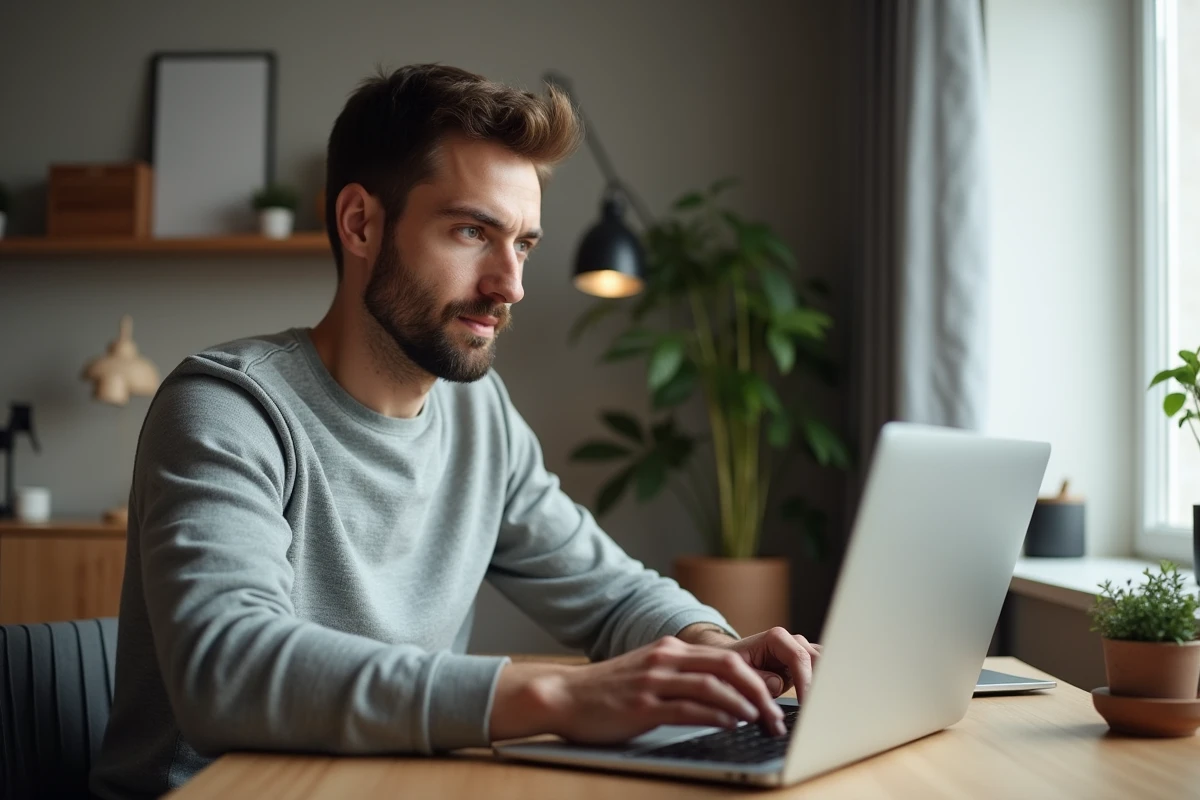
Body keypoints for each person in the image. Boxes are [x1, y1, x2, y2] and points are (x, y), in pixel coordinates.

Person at [90, 64, 820, 799]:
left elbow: (612, 593)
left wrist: (716, 651)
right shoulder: (229, 407)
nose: (510, 285)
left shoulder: (480, 416)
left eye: (524, 244)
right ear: (360, 223)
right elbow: (227, 670)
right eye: (473, 231)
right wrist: (553, 697)